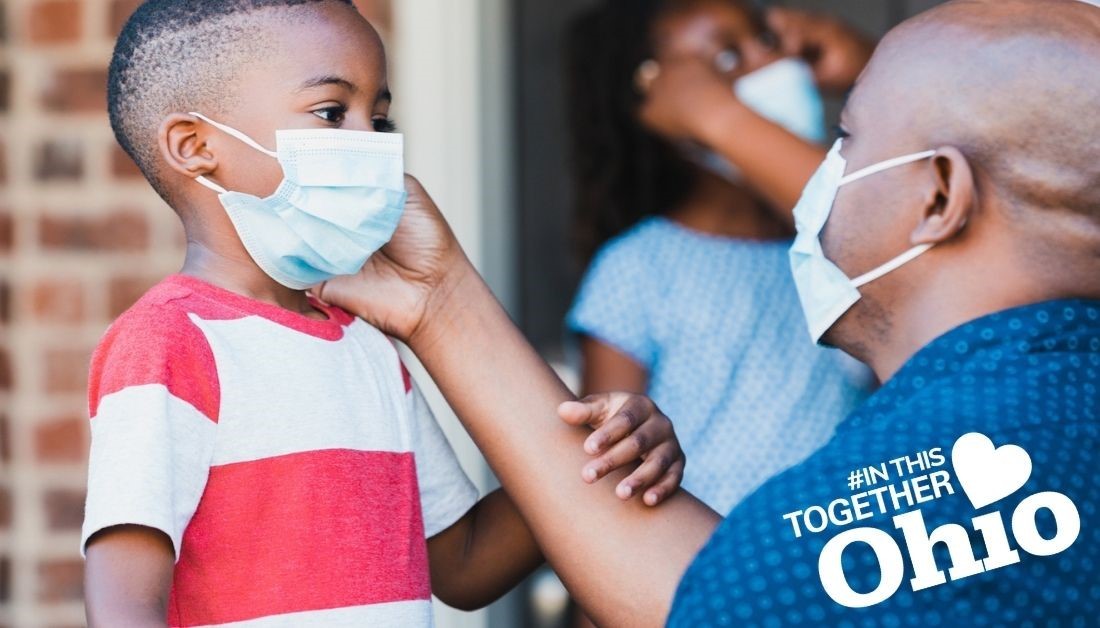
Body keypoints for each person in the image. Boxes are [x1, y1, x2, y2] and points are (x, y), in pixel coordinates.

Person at [316, 0, 1100, 624]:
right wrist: (442, 300)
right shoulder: (1049, 404)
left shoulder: (969, 451)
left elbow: (726, 601)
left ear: (936, 197)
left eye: (846, 137)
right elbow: (740, 584)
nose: (822, 171)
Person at [81, 1, 689, 626]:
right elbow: (124, 602)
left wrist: (601, 456)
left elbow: (466, 563)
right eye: (330, 113)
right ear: (194, 146)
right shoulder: (168, 342)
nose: (369, 143)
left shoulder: (364, 346)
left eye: (379, 117)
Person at [565, 0, 871, 514]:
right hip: (700, 574)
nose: (771, 64)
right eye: (727, 59)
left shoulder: (845, 246)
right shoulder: (636, 268)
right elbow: (605, 480)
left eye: (764, 40)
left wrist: (868, 72)